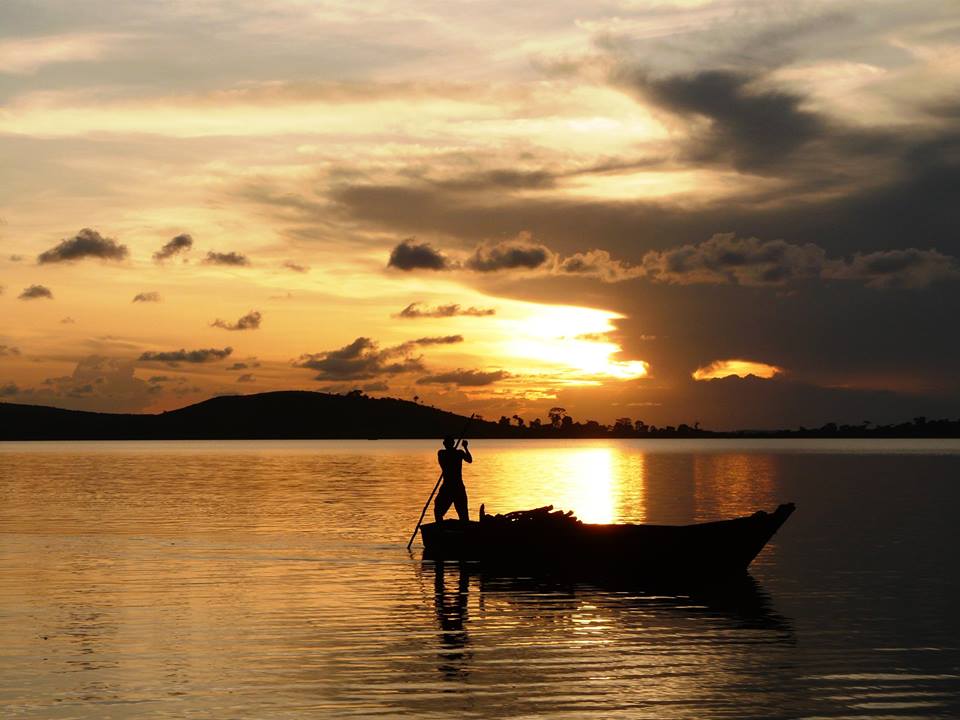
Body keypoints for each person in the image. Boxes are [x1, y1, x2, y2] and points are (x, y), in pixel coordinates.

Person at [434, 436, 472, 522]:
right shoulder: (444, 453)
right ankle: (441, 528)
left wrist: (465, 448)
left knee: (463, 513)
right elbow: (469, 459)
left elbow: (470, 460)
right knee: (438, 509)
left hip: (454, 487)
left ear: (445, 444)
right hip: (450, 487)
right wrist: (465, 448)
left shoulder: (454, 453)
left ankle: (464, 530)